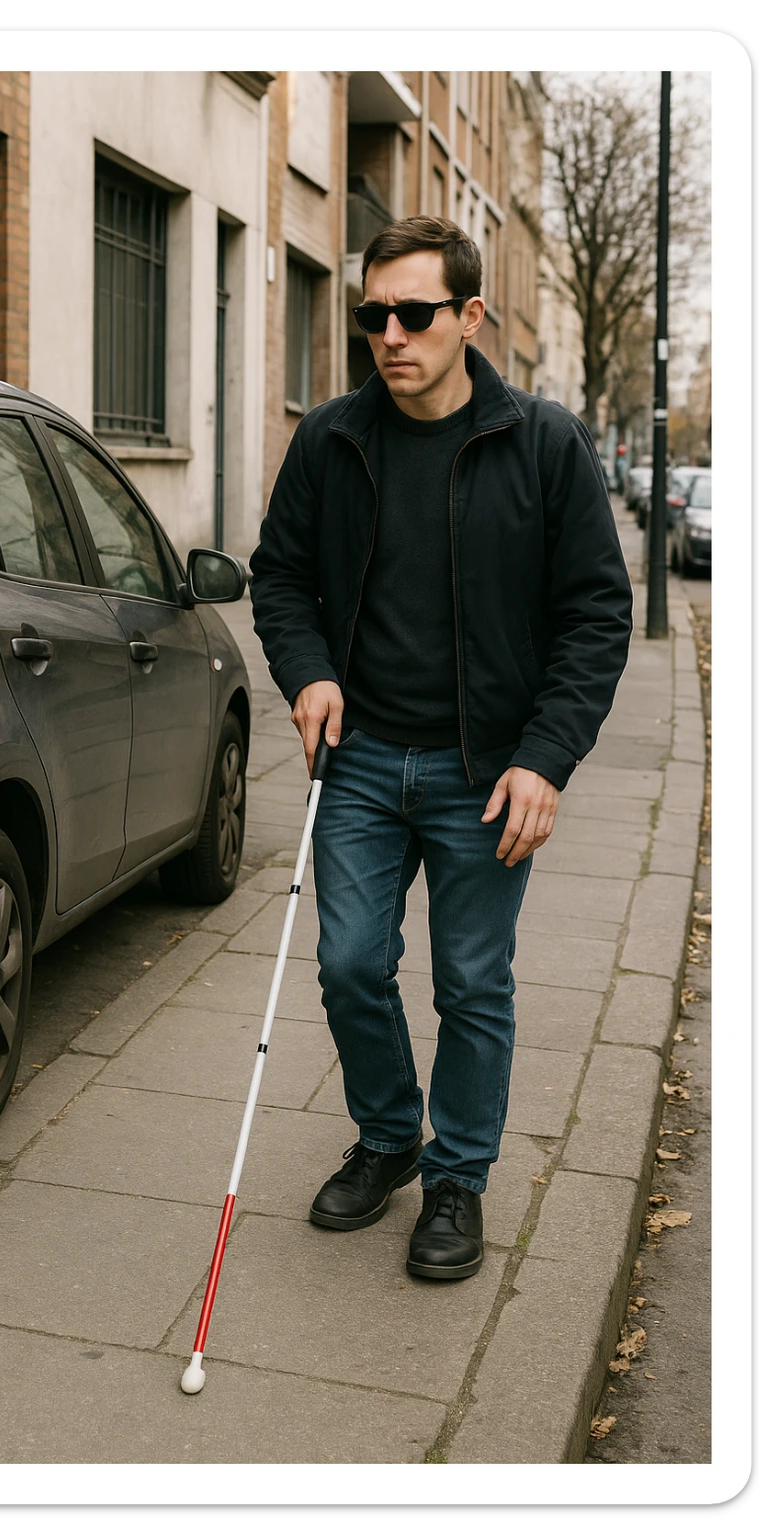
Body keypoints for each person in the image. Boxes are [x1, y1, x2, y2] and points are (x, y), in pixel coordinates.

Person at [249, 216, 633, 1281]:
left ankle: (457, 1177)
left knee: (471, 984)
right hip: (363, 759)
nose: (389, 334)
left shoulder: (543, 444)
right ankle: (387, 1139)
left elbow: (597, 615)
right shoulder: (330, 439)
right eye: (373, 314)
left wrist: (545, 759)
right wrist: (309, 671)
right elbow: (278, 577)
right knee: (348, 965)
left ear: (469, 316)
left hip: (486, 772)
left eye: (414, 314)